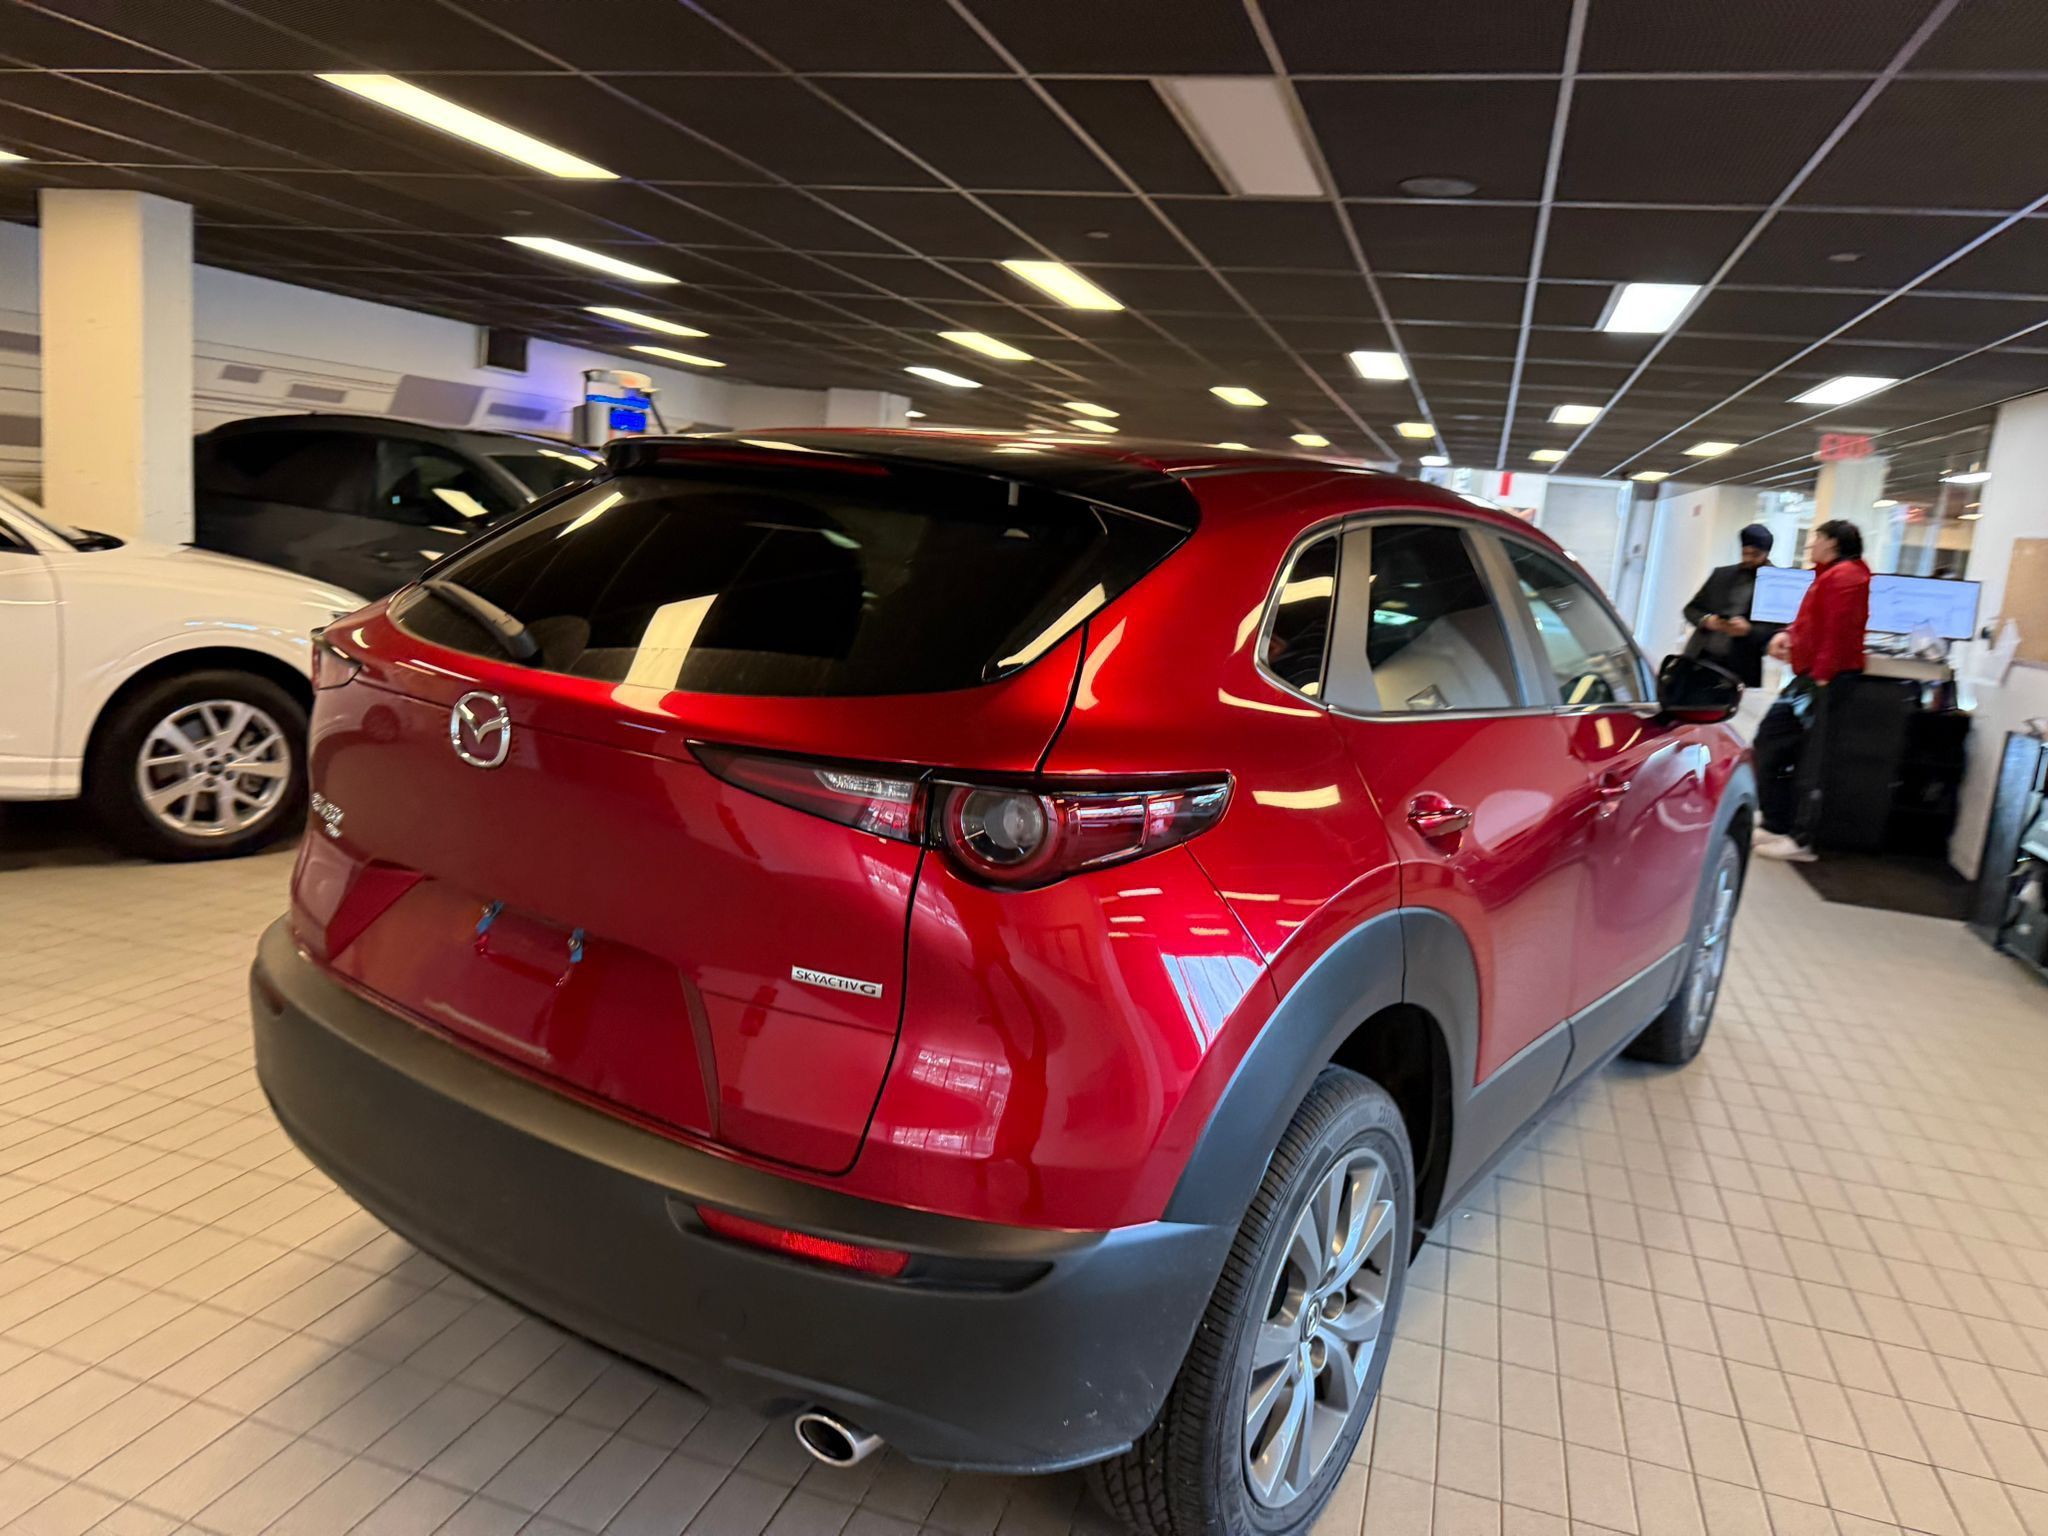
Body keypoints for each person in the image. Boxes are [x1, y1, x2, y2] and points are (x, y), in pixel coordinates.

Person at [1752, 520, 1872, 863]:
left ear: (1833, 543)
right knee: (1769, 742)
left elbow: (1837, 632)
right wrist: (1789, 634)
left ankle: (1800, 837)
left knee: (1810, 760)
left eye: (1817, 537)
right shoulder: (1830, 575)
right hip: (1808, 678)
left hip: (1823, 681)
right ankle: (1776, 823)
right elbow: (1813, 621)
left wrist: (1821, 677)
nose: (1811, 543)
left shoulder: (1846, 577)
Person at [1682, 523, 1781, 688]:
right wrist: (1707, 620)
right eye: (1745, 553)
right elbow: (1691, 609)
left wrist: (1748, 630)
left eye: (1755, 554)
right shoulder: (1721, 575)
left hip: (1740, 667)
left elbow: (1777, 629)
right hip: (1701, 658)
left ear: (1766, 553)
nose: (1748, 559)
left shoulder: (1777, 583)